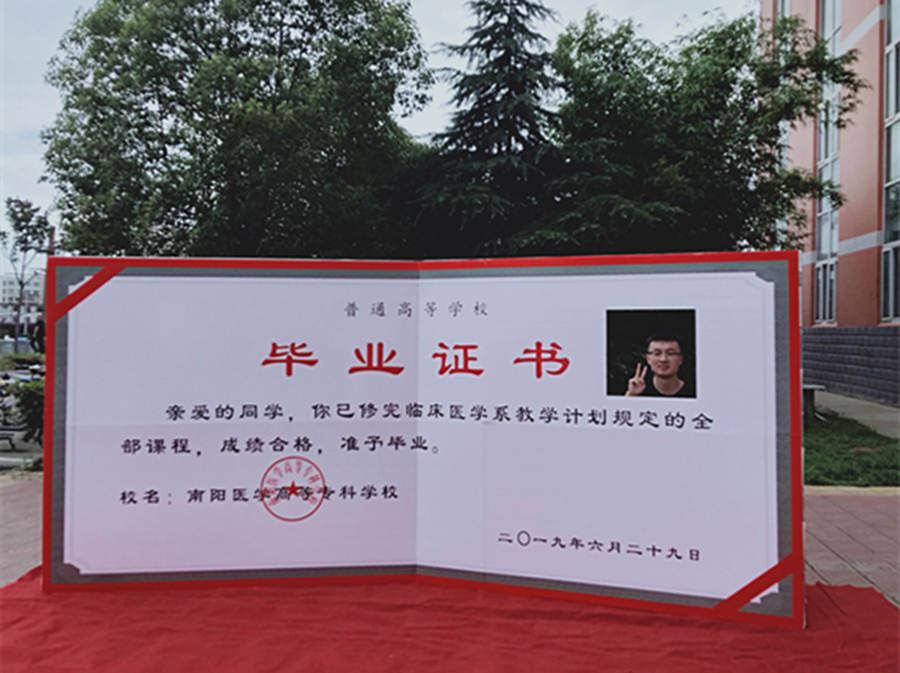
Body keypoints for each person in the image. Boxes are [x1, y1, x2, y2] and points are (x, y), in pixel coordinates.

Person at [624, 330, 694, 397]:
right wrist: (632, 394)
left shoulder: (694, 392)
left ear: (680, 359)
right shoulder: (639, 389)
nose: (663, 359)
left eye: (670, 353)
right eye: (657, 353)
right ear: (648, 359)